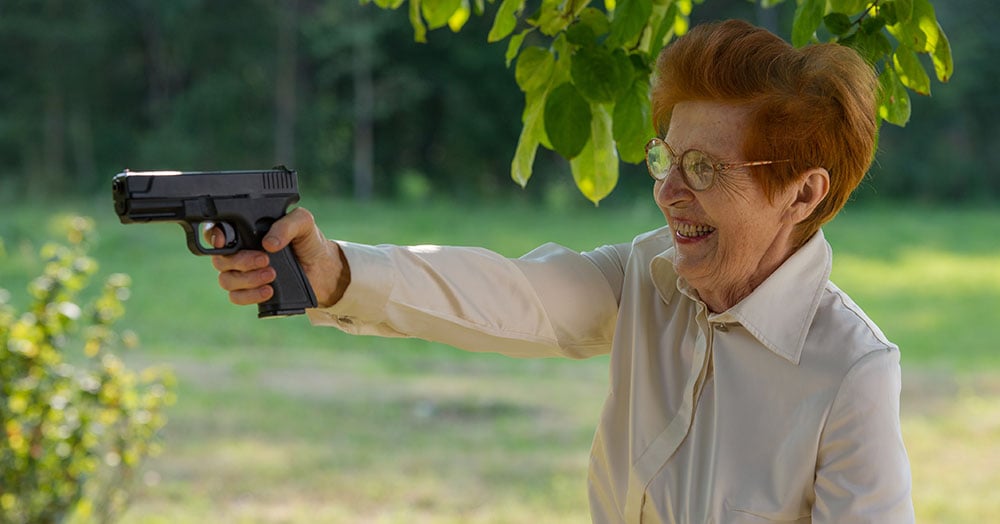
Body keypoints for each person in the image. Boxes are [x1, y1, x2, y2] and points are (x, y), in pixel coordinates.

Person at [210, 19, 914, 523]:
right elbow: (518, 296)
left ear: (803, 193)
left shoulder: (852, 371)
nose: (669, 192)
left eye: (705, 169)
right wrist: (335, 273)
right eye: (667, 158)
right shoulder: (650, 272)